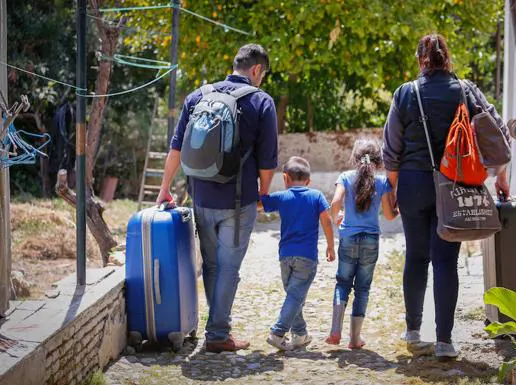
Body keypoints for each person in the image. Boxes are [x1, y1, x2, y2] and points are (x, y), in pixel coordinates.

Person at [382, 34, 510, 359]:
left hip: (412, 182)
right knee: (445, 260)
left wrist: (393, 188)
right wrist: (501, 177)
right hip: (455, 183)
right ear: (447, 57)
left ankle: (413, 331)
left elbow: (391, 148)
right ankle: (443, 341)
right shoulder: (466, 90)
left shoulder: (405, 93)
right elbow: (497, 133)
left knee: (415, 256)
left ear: (419, 59)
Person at [157, 44, 278, 353]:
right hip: (239, 202)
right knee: (228, 268)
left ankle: (217, 327)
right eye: (262, 74)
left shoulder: (198, 96)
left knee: (211, 265)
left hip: (200, 197)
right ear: (256, 70)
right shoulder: (261, 102)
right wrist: (264, 194)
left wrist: (165, 187)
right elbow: (267, 163)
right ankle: (218, 334)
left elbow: (176, 148)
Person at [325, 139, 399, 349]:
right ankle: (354, 338)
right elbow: (388, 215)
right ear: (378, 159)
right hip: (371, 239)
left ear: (355, 158)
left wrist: (336, 215)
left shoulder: (345, 177)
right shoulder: (383, 182)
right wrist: (397, 211)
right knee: (362, 289)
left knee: (342, 283)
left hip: (348, 237)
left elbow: (335, 202)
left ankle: (335, 331)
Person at [260, 156, 336, 351]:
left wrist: (261, 186)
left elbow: (260, 204)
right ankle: (278, 332)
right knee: (295, 296)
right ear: (308, 181)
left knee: (294, 295)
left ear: (285, 178)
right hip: (307, 257)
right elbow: (326, 220)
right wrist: (330, 245)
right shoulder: (316, 195)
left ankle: (300, 334)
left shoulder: (282, 197)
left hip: (285, 256)